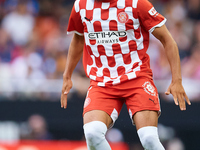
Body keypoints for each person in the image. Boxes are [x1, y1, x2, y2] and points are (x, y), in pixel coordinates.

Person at [61, 0, 191, 149]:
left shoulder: (137, 3)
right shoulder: (81, 5)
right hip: (102, 83)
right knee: (92, 133)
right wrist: (67, 76)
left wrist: (177, 80)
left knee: (149, 138)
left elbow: (168, 40)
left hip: (136, 79)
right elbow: (78, 38)